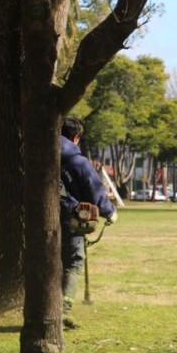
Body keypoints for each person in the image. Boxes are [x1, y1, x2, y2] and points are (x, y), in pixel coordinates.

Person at [60, 117, 117, 329]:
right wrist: (109, 212)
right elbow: (95, 191)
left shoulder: (40, 155)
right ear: (75, 137)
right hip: (71, 219)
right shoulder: (78, 162)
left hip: (41, 219)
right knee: (74, 262)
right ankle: (63, 311)